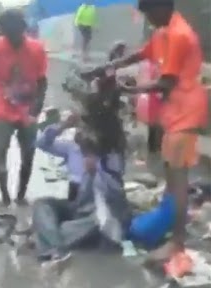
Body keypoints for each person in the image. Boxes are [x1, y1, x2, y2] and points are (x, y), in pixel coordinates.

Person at [85, 0, 208, 267]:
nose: (149, 20)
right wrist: (110, 66)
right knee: (171, 173)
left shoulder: (179, 34)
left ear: (164, 7)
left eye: (150, 14)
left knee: (178, 177)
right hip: (174, 112)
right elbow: (143, 53)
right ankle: (170, 222)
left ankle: (177, 244)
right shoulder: (163, 30)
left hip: (186, 112)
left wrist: (128, 91)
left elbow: (167, 82)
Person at [0, 9, 48, 206]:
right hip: (2, 110)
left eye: (17, 34)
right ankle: (4, 196)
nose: (14, 39)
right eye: (9, 35)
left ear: (23, 29)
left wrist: (36, 108)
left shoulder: (37, 49)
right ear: (2, 31)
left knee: (28, 156)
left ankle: (20, 195)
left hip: (28, 110)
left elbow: (42, 81)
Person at [37, 114, 84, 201]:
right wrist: (62, 127)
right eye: (79, 129)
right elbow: (42, 143)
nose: (80, 132)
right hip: (75, 193)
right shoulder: (72, 148)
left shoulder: (106, 152)